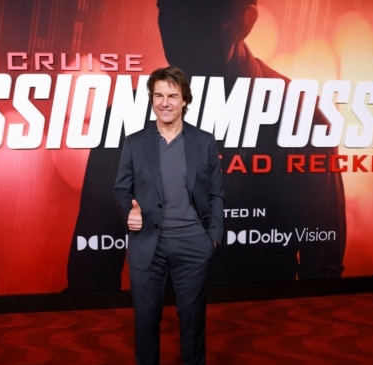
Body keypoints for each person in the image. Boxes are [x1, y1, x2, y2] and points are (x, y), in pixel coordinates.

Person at [65, 0, 345, 292]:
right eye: (170, 12)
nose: (180, 29)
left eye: (201, 13)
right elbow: (91, 271)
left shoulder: (301, 114)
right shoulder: (126, 120)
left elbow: (325, 270)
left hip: (264, 325)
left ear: (245, 23)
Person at [114, 66, 224, 365]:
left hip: (194, 244)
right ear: (151, 100)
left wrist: (213, 239)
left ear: (185, 101)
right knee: (146, 321)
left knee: (192, 321)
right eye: (158, 95)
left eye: (172, 96)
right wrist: (127, 212)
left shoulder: (204, 142)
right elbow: (121, 189)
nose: (165, 102)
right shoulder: (135, 142)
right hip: (148, 243)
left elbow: (217, 194)